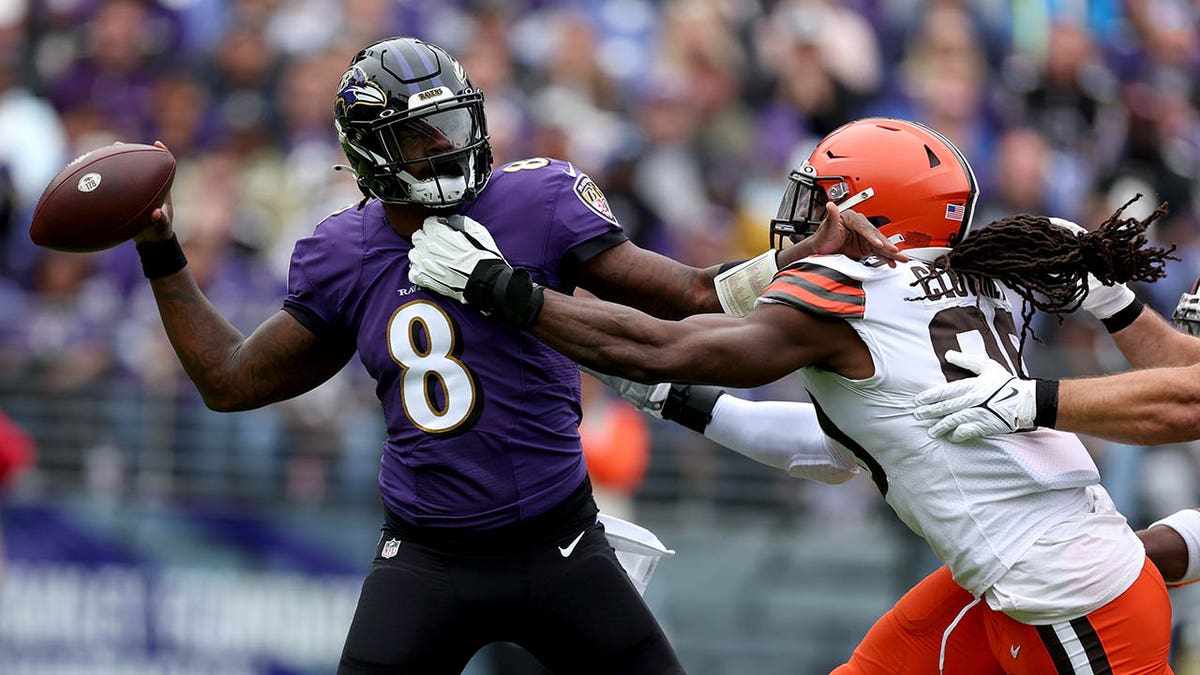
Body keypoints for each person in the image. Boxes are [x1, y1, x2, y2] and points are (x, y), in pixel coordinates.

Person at [125, 37, 901, 675]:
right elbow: (229, 381)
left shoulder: (538, 201)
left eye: (454, 125)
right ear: (370, 154)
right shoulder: (345, 252)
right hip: (425, 555)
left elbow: (693, 293)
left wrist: (801, 255)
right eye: (419, 138)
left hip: (558, 540)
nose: (447, 147)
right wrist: (162, 250)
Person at [408, 116, 1176, 672]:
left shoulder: (855, 292)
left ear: (875, 216)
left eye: (822, 199)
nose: (802, 219)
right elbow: (838, 447)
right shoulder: (980, 281)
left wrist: (505, 293)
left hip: (1069, 600)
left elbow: (669, 342)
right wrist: (666, 398)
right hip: (1025, 576)